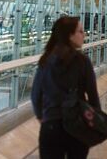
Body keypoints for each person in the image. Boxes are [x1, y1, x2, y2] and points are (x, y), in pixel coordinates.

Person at [31, 16, 100, 159]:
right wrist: (95, 122)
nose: (84, 35)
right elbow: (93, 96)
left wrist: (40, 115)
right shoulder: (82, 61)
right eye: (80, 31)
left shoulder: (46, 60)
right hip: (77, 127)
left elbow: (35, 94)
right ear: (70, 35)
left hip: (51, 126)